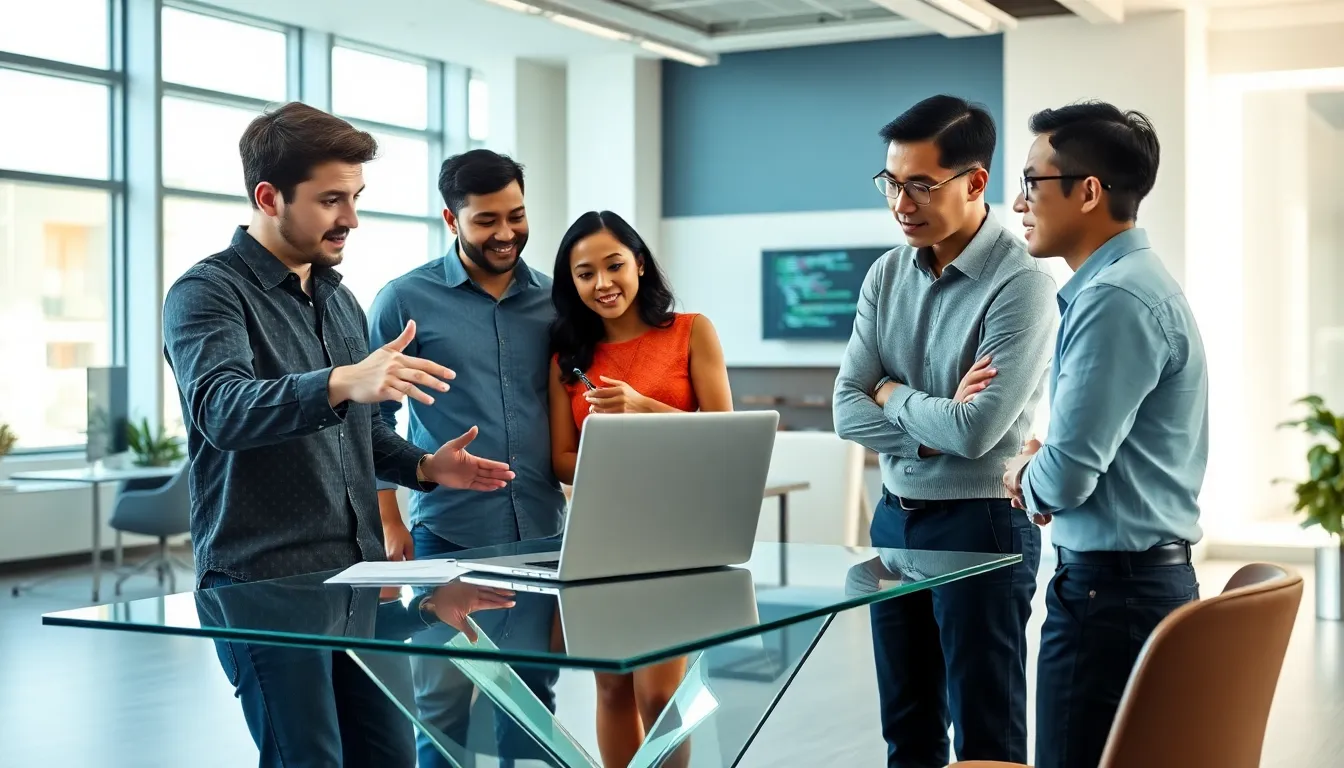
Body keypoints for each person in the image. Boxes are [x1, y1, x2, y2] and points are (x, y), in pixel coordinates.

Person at [161, 101, 515, 768]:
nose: (351, 218)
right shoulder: (207, 293)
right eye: (331, 200)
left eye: (355, 198)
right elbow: (222, 409)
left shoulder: (339, 298)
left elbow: (358, 435)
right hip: (263, 587)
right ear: (269, 197)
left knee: (391, 759)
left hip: (357, 581)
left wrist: (426, 467)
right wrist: (340, 381)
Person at [831, 94, 1058, 768]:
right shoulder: (885, 274)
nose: (902, 204)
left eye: (922, 186)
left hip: (980, 525)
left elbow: (977, 431)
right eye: (892, 183)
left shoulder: (1022, 283)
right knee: (907, 732)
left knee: (986, 737)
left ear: (975, 181)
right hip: (893, 521)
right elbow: (845, 409)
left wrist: (891, 392)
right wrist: (934, 423)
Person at [1002, 101, 1208, 768]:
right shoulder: (1132, 286)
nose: (1019, 202)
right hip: (1133, 589)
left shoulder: (1114, 297)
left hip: (1110, 600)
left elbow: (1064, 478)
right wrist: (1048, 466)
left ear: (1088, 191)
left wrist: (1022, 474)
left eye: (1031, 181)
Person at [367, 148, 565, 765]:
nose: (507, 232)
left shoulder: (557, 301)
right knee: (441, 705)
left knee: (530, 699)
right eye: (487, 220)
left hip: (540, 536)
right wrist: (389, 521)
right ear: (452, 220)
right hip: (446, 536)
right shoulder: (403, 299)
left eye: (517, 215)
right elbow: (371, 421)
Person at [548, 209, 731, 768]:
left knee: (658, 694)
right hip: (601, 537)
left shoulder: (692, 331)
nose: (602, 284)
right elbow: (561, 460)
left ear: (640, 265)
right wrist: (613, 451)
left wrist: (643, 408)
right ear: (571, 283)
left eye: (614, 266)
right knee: (611, 687)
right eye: (585, 274)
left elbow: (725, 439)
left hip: (677, 538)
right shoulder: (568, 359)